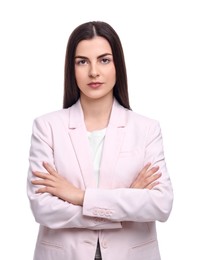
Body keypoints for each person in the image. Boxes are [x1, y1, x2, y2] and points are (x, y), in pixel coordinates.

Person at [27, 21, 173, 260]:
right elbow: (43, 208)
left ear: (118, 66)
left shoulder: (146, 129)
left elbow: (161, 204)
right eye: (82, 61)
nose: (93, 71)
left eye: (104, 60)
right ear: (71, 69)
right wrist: (127, 200)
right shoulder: (47, 127)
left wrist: (78, 196)